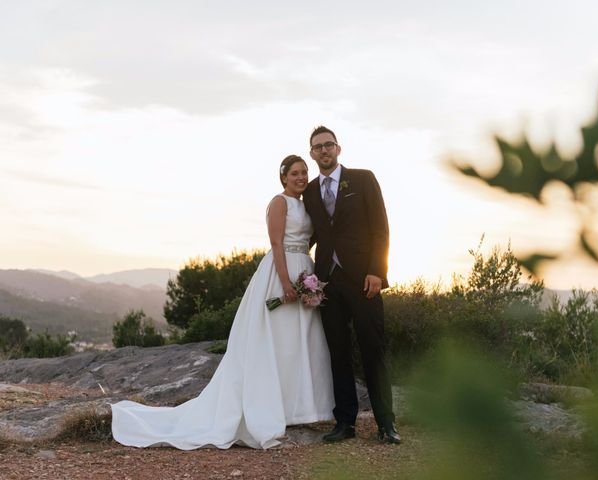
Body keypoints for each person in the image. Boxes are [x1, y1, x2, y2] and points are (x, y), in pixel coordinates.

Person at [111, 155, 334, 450]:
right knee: (277, 341)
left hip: (304, 268)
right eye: (295, 173)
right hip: (281, 272)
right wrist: (284, 282)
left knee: (299, 342)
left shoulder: (306, 205)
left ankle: (300, 409)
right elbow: (277, 243)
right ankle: (271, 409)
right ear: (283, 177)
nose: (301, 177)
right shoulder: (279, 202)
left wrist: (308, 278)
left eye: (304, 172)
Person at [303, 126, 400, 444]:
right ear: (312, 154)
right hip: (327, 284)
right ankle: (345, 423)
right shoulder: (311, 192)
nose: (324, 151)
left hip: (364, 281)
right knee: (338, 353)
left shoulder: (363, 179)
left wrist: (376, 271)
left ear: (338, 148)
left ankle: (386, 424)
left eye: (328, 145)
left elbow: (381, 228)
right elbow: (311, 235)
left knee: (373, 350)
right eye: (317, 147)